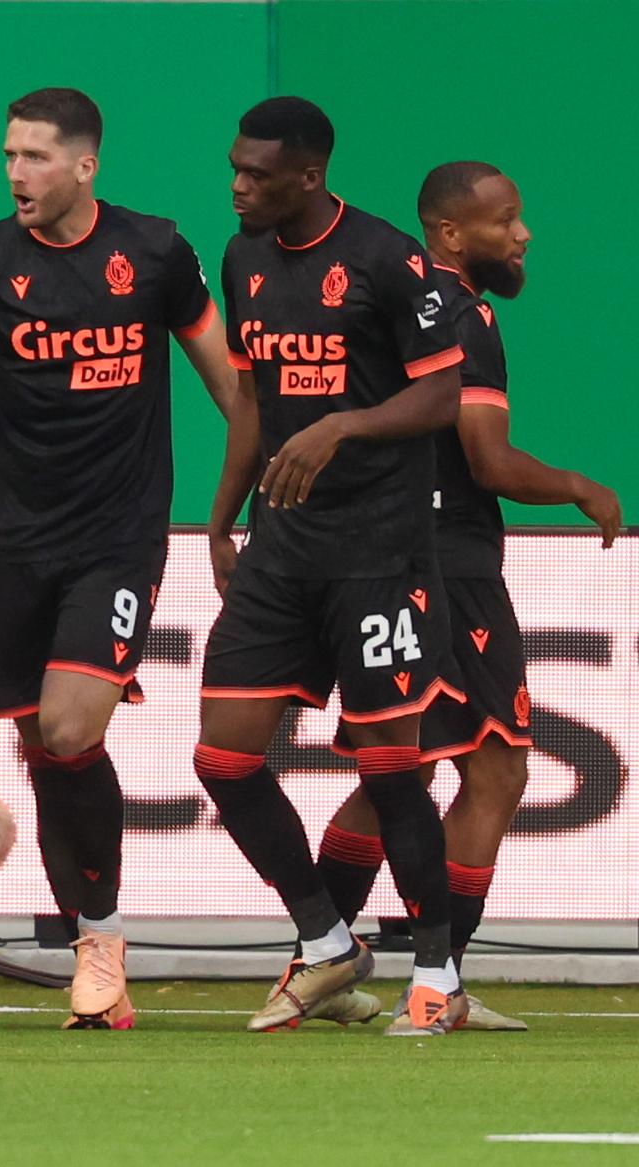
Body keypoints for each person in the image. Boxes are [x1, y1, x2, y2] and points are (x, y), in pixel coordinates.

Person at [0, 88, 243, 1030]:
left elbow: (231, 381)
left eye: (34, 157)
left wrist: (249, 499)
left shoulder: (156, 250)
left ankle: (103, 943)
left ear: (85, 165)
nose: (15, 174)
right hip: (16, 541)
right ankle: (92, 941)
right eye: (7, 156)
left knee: (74, 730)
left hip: (119, 535)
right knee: (44, 750)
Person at [308, 162, 621, 1033]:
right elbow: (488, 460)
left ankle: (316, 958)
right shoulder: (464, 315)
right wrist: (579, 484)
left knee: (392, 772)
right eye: (507, 221)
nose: (522, 236)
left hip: (390, 554)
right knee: (496, 767)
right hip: (454, 567)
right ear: (451, 234)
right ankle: (434, 983)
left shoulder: (396, 302)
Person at [196, 96, 468, 1035]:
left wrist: (346, 421)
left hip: (378, 554)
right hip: (280, 550)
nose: (237, 185)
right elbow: (248, 396)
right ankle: (325, 944)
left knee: (395, 767)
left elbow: (443, 397)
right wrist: (221, 519)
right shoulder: (243, 258)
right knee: (223, 754)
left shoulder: (390, 261)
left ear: (308, 175)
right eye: (234, 167)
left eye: (256, 173)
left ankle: (438, 974)